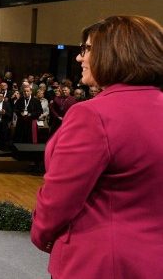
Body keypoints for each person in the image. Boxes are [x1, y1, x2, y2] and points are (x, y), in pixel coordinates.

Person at [31, 15, 163, 279]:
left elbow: (59, 200)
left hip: (100, 262)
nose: (79, 57)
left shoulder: (92, 115)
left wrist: (41, 235)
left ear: (115, 53)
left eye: (87, 49)